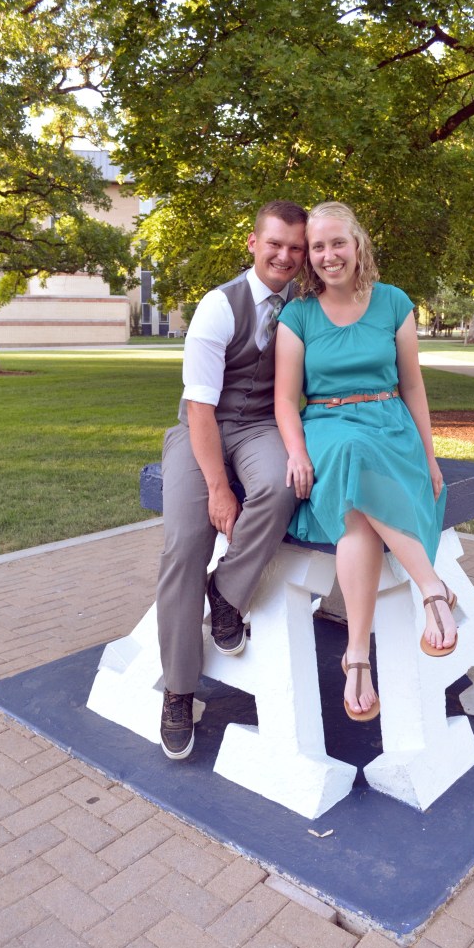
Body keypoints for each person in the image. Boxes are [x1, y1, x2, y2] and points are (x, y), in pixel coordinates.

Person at [274, 201, 457, 723]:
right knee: (350, 458)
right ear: (309, 256)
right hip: (328, 427)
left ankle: (356, 655)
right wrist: (296, 451)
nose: (329, 255)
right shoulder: (298, 314)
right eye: (318, 246)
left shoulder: (393, 302)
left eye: (338, 242)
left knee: (355, 516)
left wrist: (429, 455)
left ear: (358, 245)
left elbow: (413, 386)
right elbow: (285, 399)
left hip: (389, 426)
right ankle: (433, 588)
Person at [157, 200, 308, 759]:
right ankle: (178, 689)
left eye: (295, 248)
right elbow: (199, 407)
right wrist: (218, 489)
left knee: (282, 485)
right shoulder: (219, 306)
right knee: (184, 546)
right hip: (202, 426)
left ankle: (225, 593)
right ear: (253, 243)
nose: (285, 256)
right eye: (275, 244)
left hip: (259, 426)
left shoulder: (304, 306)